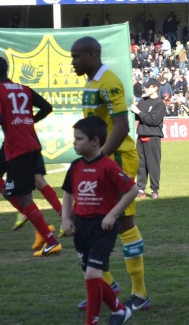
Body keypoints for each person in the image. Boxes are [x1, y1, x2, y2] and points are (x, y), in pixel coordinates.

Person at [70, 37, 151, 312]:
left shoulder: (109, 82)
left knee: (124, 223)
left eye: (76, 57)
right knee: (91, 221)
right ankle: (107, 285)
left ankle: (140, 295)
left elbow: (121, 126)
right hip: (103, 158)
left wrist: (100, 159)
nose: (73, 62)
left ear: (93, 55)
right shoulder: (91, 83)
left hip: (116, 159)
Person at [0, 56, 62, 257]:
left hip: (18, 148)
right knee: (19, 183)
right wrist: (28, 120)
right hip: (31, 144)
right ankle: (48, 227)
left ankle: (49, 238)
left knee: (17, 195)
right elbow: (48, 107)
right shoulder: (23, 88)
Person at [61, 116, 137, 325]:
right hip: (81, 228)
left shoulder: (107, 166)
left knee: (92, 275)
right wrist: (65, 218)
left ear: (95, 141)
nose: (74, 142)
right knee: (91, 276)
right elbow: (68, 192)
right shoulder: (76, 166)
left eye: (79, 139)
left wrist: (113, 214)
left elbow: (132, 189)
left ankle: (91, 321)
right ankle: (120, 310)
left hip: (103, 229)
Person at [131, 77, 166, 199]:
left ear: (155, 88)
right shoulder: (143, 101)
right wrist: (134, 108)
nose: (144, 89)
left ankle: (154, 189)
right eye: (145, 87)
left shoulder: (160, 104)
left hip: (153, 137)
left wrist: (138, 112)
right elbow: (137, 116)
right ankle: (140, 188)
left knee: (153, 164)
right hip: (141, 136)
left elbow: (153, 121)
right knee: (140, 164)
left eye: (147, 87)